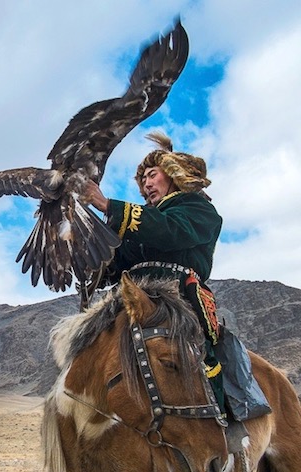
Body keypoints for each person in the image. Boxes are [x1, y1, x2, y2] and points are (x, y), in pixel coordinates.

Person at [83, 131, 269, 424]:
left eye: (152, 175)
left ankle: (218, 425)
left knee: (196, 357)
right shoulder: (140, 224)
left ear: (172, 174)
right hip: (134, 299)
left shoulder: (198, 209)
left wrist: (108, 206)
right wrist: (84, 249)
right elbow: (117, 264)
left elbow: (170, 231)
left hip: (179, 296)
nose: (145, 183)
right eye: (142, 179)